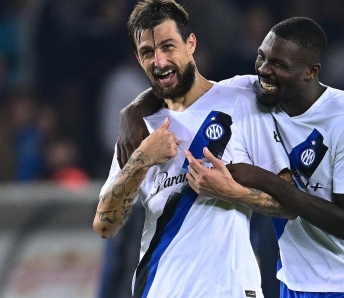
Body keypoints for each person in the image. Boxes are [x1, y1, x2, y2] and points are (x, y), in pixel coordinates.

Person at [118, 16, 344, 297]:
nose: (264, 70)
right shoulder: (252, 92)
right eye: (262, 57)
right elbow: (188, 88)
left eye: (279, 65)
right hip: (294, 281)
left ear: (311, 71)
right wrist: (133, 111)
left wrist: (263, 179)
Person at [93, 1, 295, 297]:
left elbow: (291, 202)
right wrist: (142, 159)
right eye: (148, 52)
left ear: (191, 44)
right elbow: (105, 225)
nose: (159, 61)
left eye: (168, 46)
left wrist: (232, 192)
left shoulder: (241, 100)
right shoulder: (142, 130)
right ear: (138, 59)